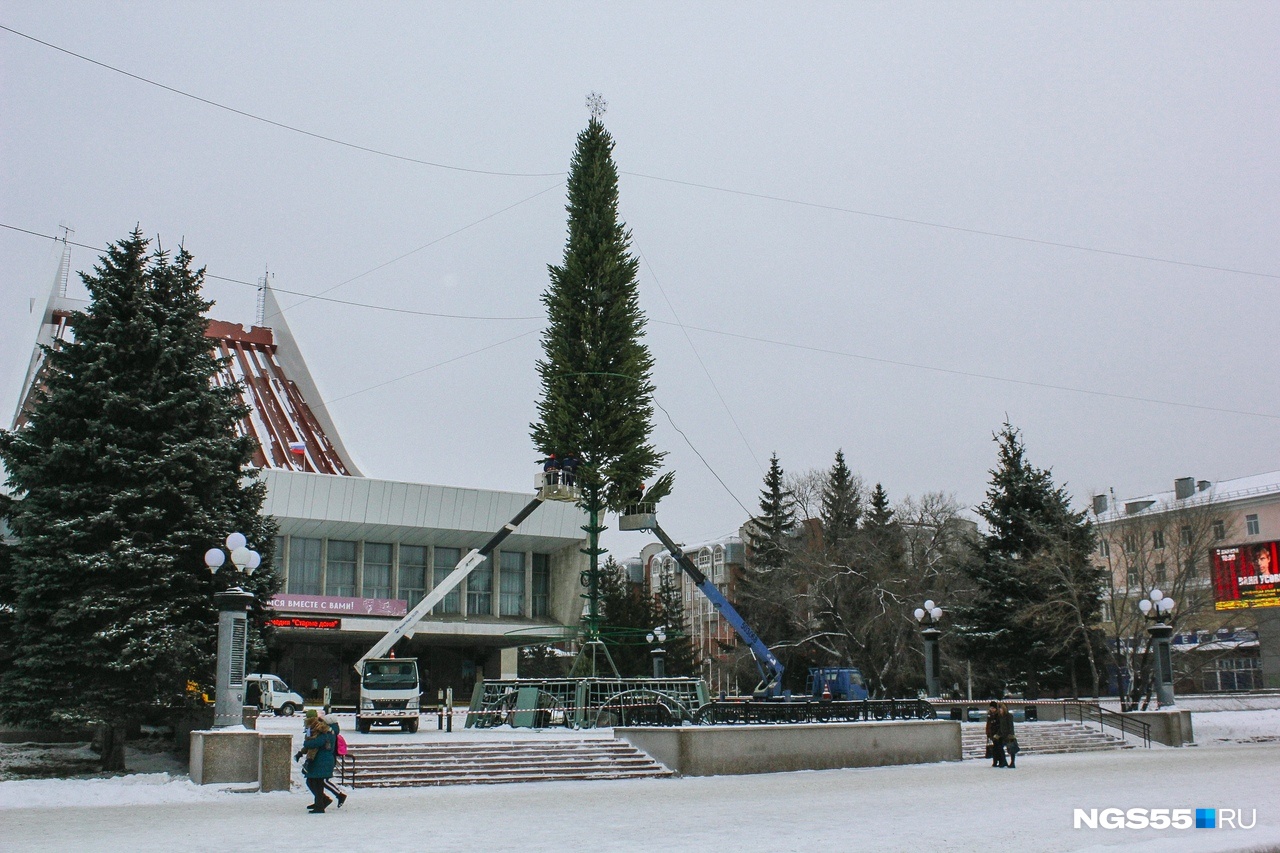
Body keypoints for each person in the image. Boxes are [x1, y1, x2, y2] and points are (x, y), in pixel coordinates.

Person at [294, 710, 337, 813]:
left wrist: (307, 743)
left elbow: (316, 743)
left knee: (317, 783)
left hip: (322, 760)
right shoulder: (318, 729)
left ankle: (320, 805)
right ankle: (321, 801)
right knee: (312, 782)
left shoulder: (324, 730)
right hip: (318, 760)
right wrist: (301, 752)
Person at [320, 714, 348, 808]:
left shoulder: (330, 732)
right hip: (331, 758)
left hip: (329, 758)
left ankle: (339, 794)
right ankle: (322, 798)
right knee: (323, 780)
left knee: (324, 780)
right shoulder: (335, 730)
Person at [985, 701, 1006, 768]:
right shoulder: (990, 715)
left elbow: (1000, 725)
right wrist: (988, 733)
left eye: (993, 708)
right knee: (994, 749)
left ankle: (1002, 761)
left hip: (998, 735)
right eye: (991, 708)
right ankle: (995, 761)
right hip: (992, 734)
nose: (992, 709)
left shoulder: (998, 715)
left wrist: (998, 734)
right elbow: (988, 724)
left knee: (999, 748)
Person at [998, 702, 1018, 769]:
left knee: (1011, 749)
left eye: (1001, 708)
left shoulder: (1009, 716)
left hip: (1008, 735)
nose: (1000, 710)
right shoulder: (1000, 716)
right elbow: (1000, 726)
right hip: (1003, 735)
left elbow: (1011, 726)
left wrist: (1011, 734)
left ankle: (1012, 762)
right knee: (1000, 747)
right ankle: (1004, 761)